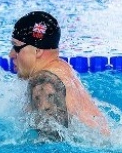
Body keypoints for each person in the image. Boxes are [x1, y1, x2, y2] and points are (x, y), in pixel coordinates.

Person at [9, 11, 109, 140]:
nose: (11, 54)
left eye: (16, 47)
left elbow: (52, 148)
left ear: (37, 50)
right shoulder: (62, 68)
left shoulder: (44, 84)